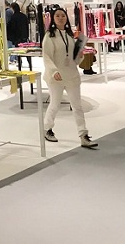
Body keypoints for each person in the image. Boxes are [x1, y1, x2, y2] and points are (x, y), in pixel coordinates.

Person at [42, 8, 98, 149]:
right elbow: (46, 56)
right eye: (57, 16)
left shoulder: (69, 35)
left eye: (63, 15)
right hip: (56, 77)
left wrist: (80, 56)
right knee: (55, 104)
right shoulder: (49, 36)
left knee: (77, 106)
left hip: (71, 75)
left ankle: (83, 135)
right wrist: (53, 71)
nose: (60, 18)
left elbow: (74, 59)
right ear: (53, 18)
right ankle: (47, 128)